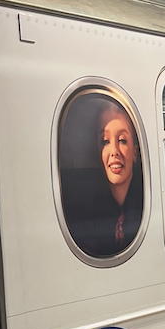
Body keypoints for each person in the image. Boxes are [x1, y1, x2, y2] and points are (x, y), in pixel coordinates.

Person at [70, 101, 143, 257]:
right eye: (105, 141)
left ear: (135, 153)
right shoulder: (87, 217)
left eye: (122, 140)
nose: (114, 151)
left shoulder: (151, 207)